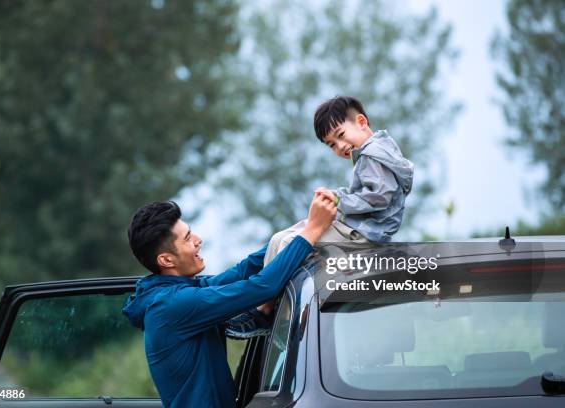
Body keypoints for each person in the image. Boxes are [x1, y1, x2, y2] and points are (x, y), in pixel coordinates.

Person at [122, 192, 336, 408]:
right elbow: (262, 286)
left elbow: (243, 270)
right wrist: (312, 231)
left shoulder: (181, 290)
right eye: (188, 238)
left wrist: (290, 237)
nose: (198, 240)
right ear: (166, 260)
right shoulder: (172, 305)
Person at [227, 95, 414, 337]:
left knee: (288, 244)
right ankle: (265, 307)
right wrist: (339, 196)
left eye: (340, 135)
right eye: (331, 144)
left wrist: (339, 199)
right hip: (354, 226)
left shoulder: (373, 155)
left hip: (364, 234)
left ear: (361, 122)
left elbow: (378, 198)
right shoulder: (374, 151)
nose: (339, 146)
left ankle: (270, 314)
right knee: (279, 238)